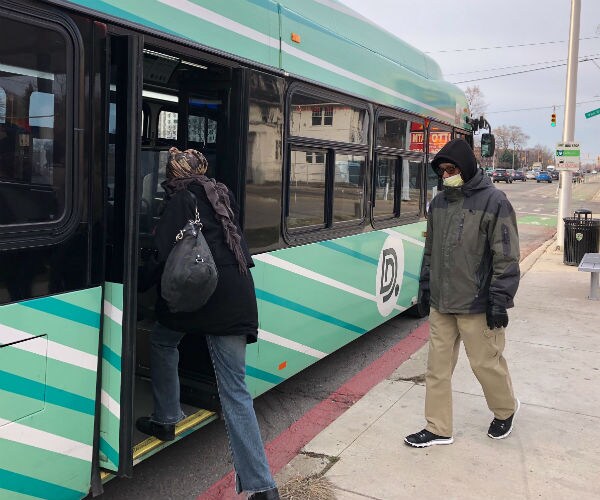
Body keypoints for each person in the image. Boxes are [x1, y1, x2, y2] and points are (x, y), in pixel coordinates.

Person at [136, 147, 280, 499]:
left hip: (199, 295)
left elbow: (161, 252)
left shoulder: (180, 198)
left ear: (175, 174)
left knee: (162, 340)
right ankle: (263, 488)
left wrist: (137, 285)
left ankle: (167, 418)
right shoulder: (221, 194)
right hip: (236, 297)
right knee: (235, 393)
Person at [405, 138, 520, 448]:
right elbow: (431, 250)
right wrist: (426, 285)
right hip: (443, 304)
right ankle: (438, 427)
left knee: (485, 364)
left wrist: (500, 299)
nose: (446, 175)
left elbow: (506, 255)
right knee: (436, 369)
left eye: (451, 169)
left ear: (466, 168)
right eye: (442, 171)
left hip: (477, 304)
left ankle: (505, 409)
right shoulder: (439, 204)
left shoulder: (494, 201)